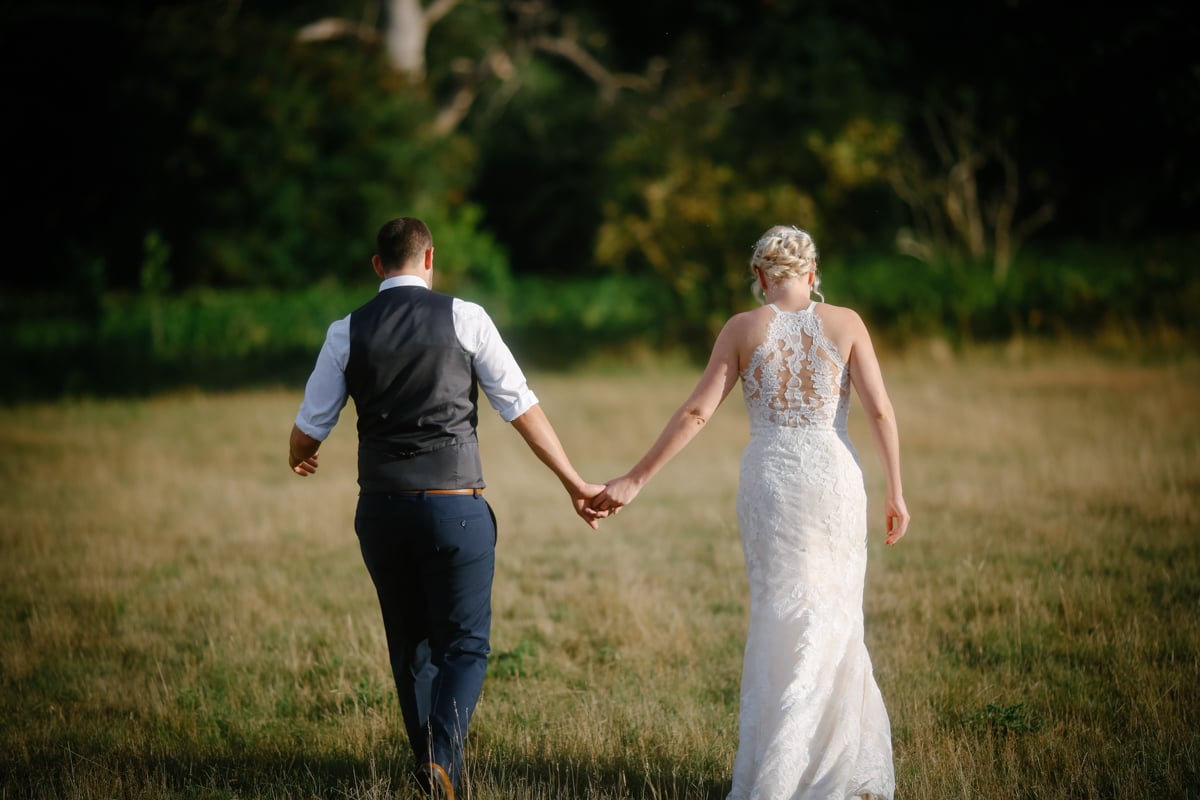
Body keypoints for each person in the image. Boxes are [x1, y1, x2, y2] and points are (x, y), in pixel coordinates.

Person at [288, 217, 605, 800]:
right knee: (465, 645)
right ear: (429, 258)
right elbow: (520, 406)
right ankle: (440, 758)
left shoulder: (346, 331)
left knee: (411, 646)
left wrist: (297, 456)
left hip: (381, 510)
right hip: (456, 507)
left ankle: (434, 771)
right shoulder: (467, 317)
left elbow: (310, 428)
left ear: (378, 265)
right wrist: (572, 481)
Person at [589, 225, 909, 800]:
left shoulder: (741, 329)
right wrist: (896, 492)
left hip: (771, 481)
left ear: (761, 277)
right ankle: (832, 769)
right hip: (834, 479)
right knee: (834, 615)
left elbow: (696, 413)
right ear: (812, 275)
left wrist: (635, 478)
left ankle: (779, 770)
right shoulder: (847, 323)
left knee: (779, 615)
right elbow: (881, 412)